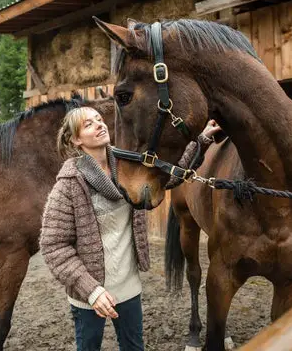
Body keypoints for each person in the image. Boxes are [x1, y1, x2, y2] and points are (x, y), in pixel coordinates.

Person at [39, 106, 221, 351]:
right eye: (89, 124)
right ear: (76, 139)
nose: (100, 125)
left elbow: (171, 174)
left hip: (128, 287)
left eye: (100, 119)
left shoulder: (129, 165)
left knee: (134, 347)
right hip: (89, 295)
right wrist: (92, 291)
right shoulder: (70, 184)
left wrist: (202, 140)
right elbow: (53, 246)